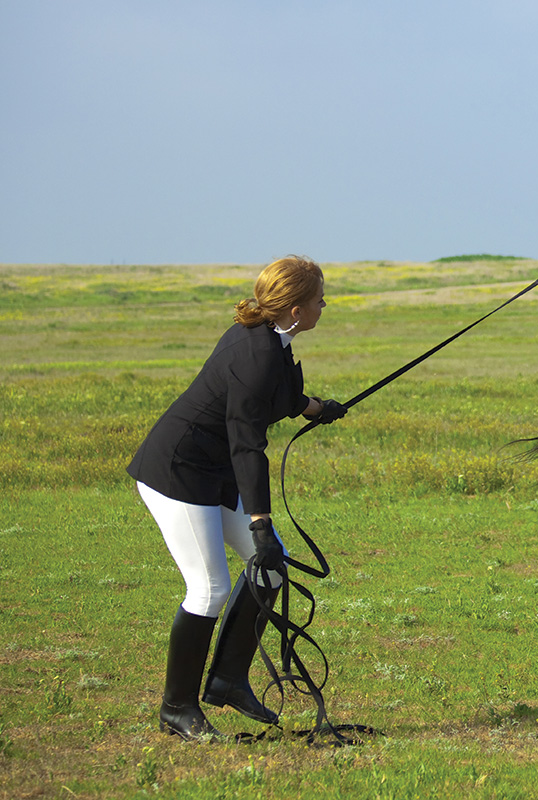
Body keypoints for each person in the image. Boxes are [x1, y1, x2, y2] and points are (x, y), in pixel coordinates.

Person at [127, 255, 347, 740]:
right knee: (210, 590)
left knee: (270, 568)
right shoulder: (255, 354)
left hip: (212, 474)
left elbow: (279, 398)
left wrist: (318, 408)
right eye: (318, 299)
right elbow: (247, 443)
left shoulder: (271, 339)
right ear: (293, 309)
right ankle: (177, 708)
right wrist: (260, 524)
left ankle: (227, 680)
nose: (324, 304)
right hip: (177, 473)